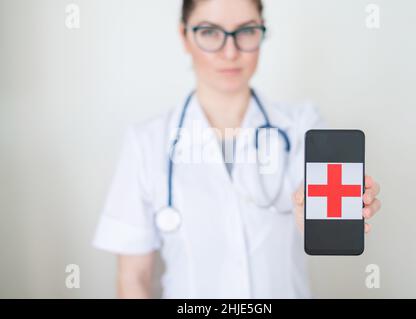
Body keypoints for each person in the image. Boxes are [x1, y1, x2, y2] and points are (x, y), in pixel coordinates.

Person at [93, 0, 381, 299]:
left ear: (262, 32)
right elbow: (134, 279)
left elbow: (320, 207)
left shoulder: (301, 128)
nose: (230, 52)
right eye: (209, 32)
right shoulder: (146, 142)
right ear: (184, 36)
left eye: (246, 31)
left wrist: (323, 214)